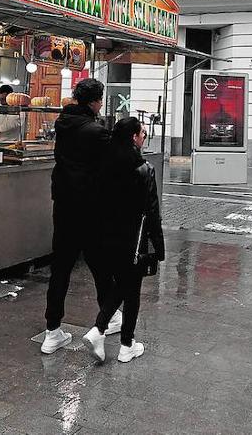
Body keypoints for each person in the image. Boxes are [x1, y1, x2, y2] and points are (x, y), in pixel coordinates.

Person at [41, 78, 120, 353]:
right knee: (99, 264)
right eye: (100, 100)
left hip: (63, 206)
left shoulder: (62, 123)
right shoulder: (95, 131)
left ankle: (52, 332)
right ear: (95, 101)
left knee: (60, 268)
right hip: (89, 207)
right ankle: (109, 316)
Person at [82, 117, 165, 363]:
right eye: (142, 133)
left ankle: (103, 332)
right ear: (133, 138)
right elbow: (152, 213)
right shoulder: (143, 169)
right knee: (132, 288)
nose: (144, 136)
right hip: (133, 239)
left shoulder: (101, 162)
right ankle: (123, 343)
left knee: (124, 285)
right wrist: (158, 247)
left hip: (103, 236)